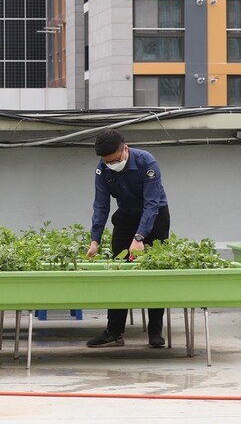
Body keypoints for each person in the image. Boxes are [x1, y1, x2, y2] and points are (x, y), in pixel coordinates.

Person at [85, 128, 170, 349]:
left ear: (125, 148)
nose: (111, 164)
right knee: (119, 271)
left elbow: (152, 204)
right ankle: (114, 331)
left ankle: (155, 332)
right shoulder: (103, 170)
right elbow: (101, 205)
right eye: (106, 161)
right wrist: (95, 239)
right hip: (126, 217)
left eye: (114, 160)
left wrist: (140, 237)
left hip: (155, 217)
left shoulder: (146, 162)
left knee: (154, 271)